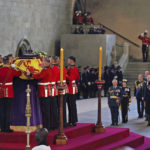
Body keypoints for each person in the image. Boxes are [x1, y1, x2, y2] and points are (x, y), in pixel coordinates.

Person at [28, 57, 52, 131]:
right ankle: (47, 125)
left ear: (47, 63)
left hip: (44, 91)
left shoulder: (45, 70)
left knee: (45, 110)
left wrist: (30, 74)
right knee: (46, 109)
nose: (42, 63)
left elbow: (39, 76)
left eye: (43, 62)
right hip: (46, 90)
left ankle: (46, 126)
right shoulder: (48, 69)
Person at [0, 56, 21, 132]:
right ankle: (7, 128)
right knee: (8, 111)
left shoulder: (0, 70)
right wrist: (15, 67)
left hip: (1, 92)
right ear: (8, 62)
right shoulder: (10, 70)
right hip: (9, 92)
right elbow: (19, 73)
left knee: (2, 110)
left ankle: (2, 128)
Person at [67, 56, 80, 126]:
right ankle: (72, 120)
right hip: (72, 87)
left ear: (71, 61)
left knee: (71, 105)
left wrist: (65, 75)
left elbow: (71, 78)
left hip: (70, 88)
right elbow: (78, 77)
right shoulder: (74, 68)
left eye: (68, 60)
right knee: (71, 105)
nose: (67, 61)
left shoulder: (72, 68)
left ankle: (72, 120)